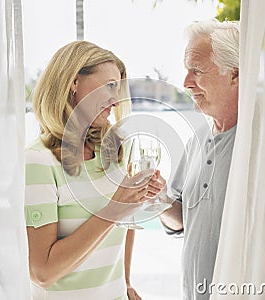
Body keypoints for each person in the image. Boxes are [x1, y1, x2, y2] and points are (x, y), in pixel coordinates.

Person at [24, 40, 162, 300]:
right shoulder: (37, 162)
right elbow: (42, 272)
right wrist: (113, 209)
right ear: (74, 83)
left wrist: (127, 281)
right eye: (110, 86)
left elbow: (126, 222)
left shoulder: (113, 152)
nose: (115, 99)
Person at [159, 19, 240, 299]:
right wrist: (154, 197)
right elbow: (181, 221)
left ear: (235, 74)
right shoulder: (197, 139)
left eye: (197, 70)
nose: (185, 82)